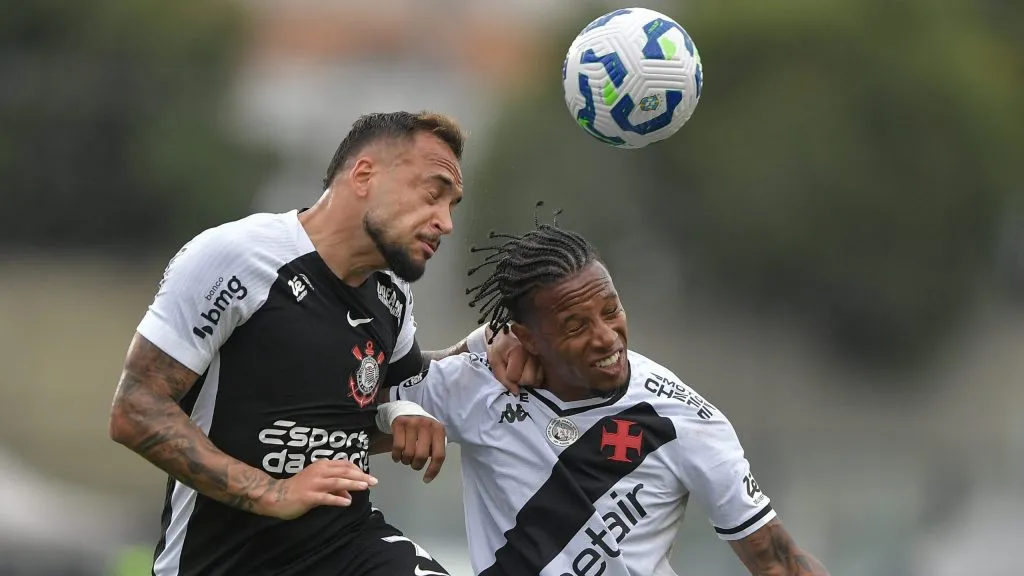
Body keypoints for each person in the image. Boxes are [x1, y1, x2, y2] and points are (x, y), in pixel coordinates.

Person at [107, 111, 530, 576]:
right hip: (224, 560)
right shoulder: (237, 257)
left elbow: (392, 392)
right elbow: (137, 408)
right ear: (364, 174)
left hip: (346, 545)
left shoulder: (391, 294)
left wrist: (480, 347)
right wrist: (272, 492)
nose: (445, 222)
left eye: (452, 205)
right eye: (433, 194)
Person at [388, 208, 832, 576]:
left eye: (611, 309)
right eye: (576, 326)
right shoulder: (481, 385)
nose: (607, 337)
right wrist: (467, 350)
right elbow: (351, 400)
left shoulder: (682, 417)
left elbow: (778, 562)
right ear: (526, 337)